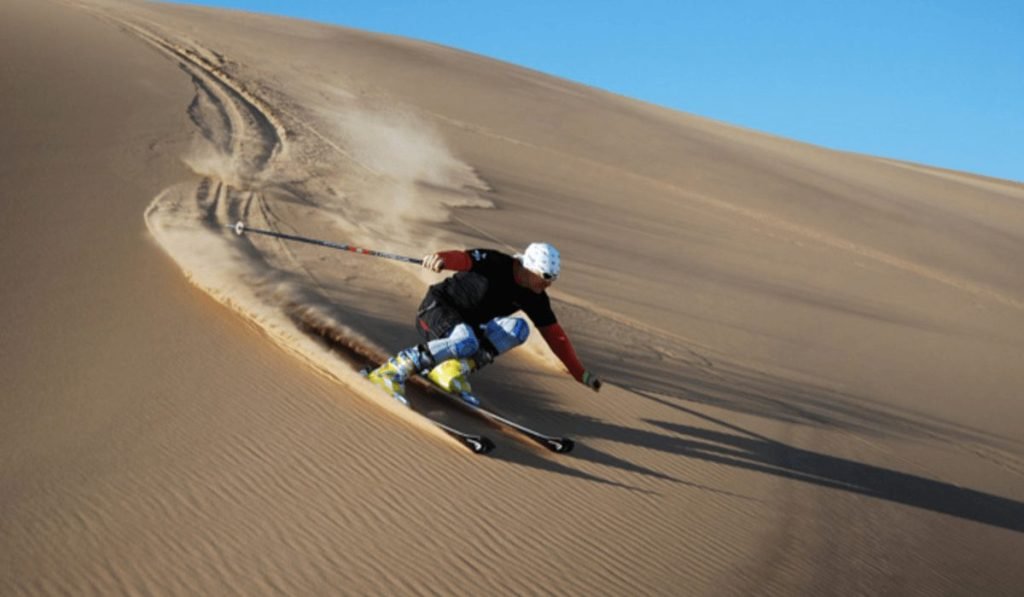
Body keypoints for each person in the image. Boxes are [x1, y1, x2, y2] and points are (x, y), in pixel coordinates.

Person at [366, 242, 602, 405]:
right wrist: (441, 258)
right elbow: (464, 258)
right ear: (529, 267)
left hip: (467, 328)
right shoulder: (496, 262)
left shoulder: (535, 296)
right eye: (545, 277)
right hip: (436, 312)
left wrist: (580, 374)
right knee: (465, 340)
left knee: (519, 329)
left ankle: (449, 370)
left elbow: (555, 336)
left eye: (553, 278)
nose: (548, 284)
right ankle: (389, 372)